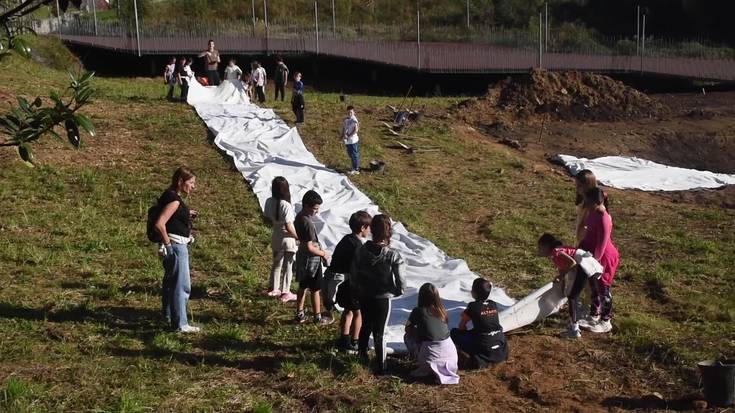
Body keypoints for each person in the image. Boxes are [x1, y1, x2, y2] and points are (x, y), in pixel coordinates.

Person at [352, 214, 406, 374]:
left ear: (372, 229)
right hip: (383, 297)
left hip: (364, 295)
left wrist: (355, 290)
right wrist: (398, 290)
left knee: (366, 324)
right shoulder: (392, 255)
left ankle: (362, 355)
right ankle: (381, 365)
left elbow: (354, 272)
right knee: (380, 331)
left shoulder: (361, 250)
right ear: (388, 231)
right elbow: (401, 279)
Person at [154, 166, 200, 333]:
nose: (193, 186)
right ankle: (181, 323)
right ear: (181, 182)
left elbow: (170, 216)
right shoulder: (175, 200)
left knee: (170, 283)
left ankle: (167, 315)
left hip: (172, 245)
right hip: (176, 247)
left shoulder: (169, 195)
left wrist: (186, 213)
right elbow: (160, 224)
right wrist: (168, 245)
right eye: (191, 182)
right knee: (181, 285)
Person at [538, 233, 603, 339]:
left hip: (584, 266)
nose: (540, 250)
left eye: (540, 247)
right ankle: (574, 323)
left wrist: (561, 276)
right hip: (589, 265)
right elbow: (563, 269)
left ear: (546, 246)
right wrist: (562, 284)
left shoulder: (556, 252)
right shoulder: (557, 252)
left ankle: (574, 329)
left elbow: (572, 263)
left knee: (572, 297)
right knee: (572, 296)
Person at [324, 211, 372, 353]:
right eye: (369, 227)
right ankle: (355, 340)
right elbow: (358, 268)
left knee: (348, 311)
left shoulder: (346, 240)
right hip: (352, 284)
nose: (370, 231)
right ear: (363, 227)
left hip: (342, 283)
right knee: (358, 313)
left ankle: (344, 339)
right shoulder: (358, 246)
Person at [577, 188, 619, 334]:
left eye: (588, 203)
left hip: (603, 258)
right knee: (594, 286)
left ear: (597, 202)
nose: (586, 206)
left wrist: (595, 263)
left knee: (603, 289)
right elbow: (590, 235)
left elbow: (602, 244)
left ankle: (606, 320)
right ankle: (595, 314)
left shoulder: (604, 219)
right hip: (591, 255)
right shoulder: (593, 212)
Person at [404, 283, 460, 385]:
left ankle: (418, 359)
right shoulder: (442, 311)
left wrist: (418, 332)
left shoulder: (417, 311)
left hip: (428, 361)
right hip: (451, 360)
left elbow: (407, 330)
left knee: (407, 337)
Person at [450, 278, 507, 369]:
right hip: (499, 340)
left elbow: (461, 326)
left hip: (483, 344)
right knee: (478, 331)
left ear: (474, 292)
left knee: (454, 333)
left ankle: (479, 358)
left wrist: (463, 329)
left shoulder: (473, 306)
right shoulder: (493, 304)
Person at [294, 190, 331, 325]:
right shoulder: (308, 223)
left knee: (302, 286)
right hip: (311, 260)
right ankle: (317, 317)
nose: (317, 212)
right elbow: (309, 247)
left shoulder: (299, 217)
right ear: (306, 205)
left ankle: (299, 313)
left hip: (302, 258)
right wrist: (323, 254)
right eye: (315, 209)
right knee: (315, 289)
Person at [264, 177, 299, 303]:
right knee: (288, 266)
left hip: (276, 236)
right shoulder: (286, 205)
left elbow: (266, 218)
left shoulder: (269, 201)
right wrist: (298, 236)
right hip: (287, 239)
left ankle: (274, 288)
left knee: (276, 264)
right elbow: (289, 226)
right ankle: (285, 291)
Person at [574, 169, 609, 244]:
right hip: (581, 234)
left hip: (589, 238)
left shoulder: (595, 203)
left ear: (588, 185)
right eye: (576, 185)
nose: (577, 188)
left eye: (579, 186)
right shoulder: (582, 198)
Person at [341, 106, 360, 175]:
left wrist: (349, 136)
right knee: (350, 154)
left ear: (354, 112)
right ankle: (353, 167)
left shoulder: (354, 120)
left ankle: (356, 169)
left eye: (351, 112)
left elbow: (356, 130)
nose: (349, 113)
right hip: (347, 141)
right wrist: (342, 136)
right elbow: (344, 128)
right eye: (348, 112)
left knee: (354, 154)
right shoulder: (346, 120)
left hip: (353, 140)